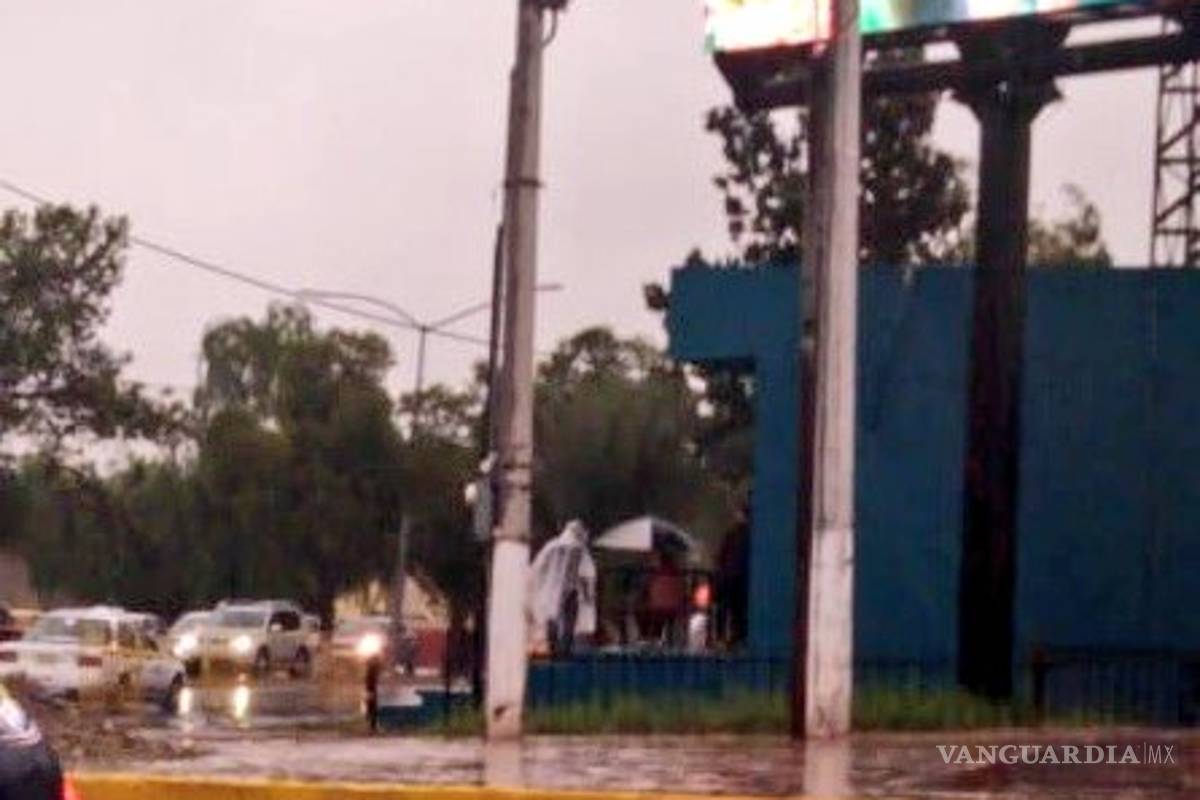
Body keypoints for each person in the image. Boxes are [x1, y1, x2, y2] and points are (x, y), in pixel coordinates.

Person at [527, 520, 597, 657]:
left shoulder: (554, 547)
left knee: (558, 621)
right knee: (557, 621)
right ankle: (560, 650)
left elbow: (536, 569)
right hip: (560, 592)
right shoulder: (570, 548)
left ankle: (560, 650)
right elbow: (587, 575)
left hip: (563, 592)